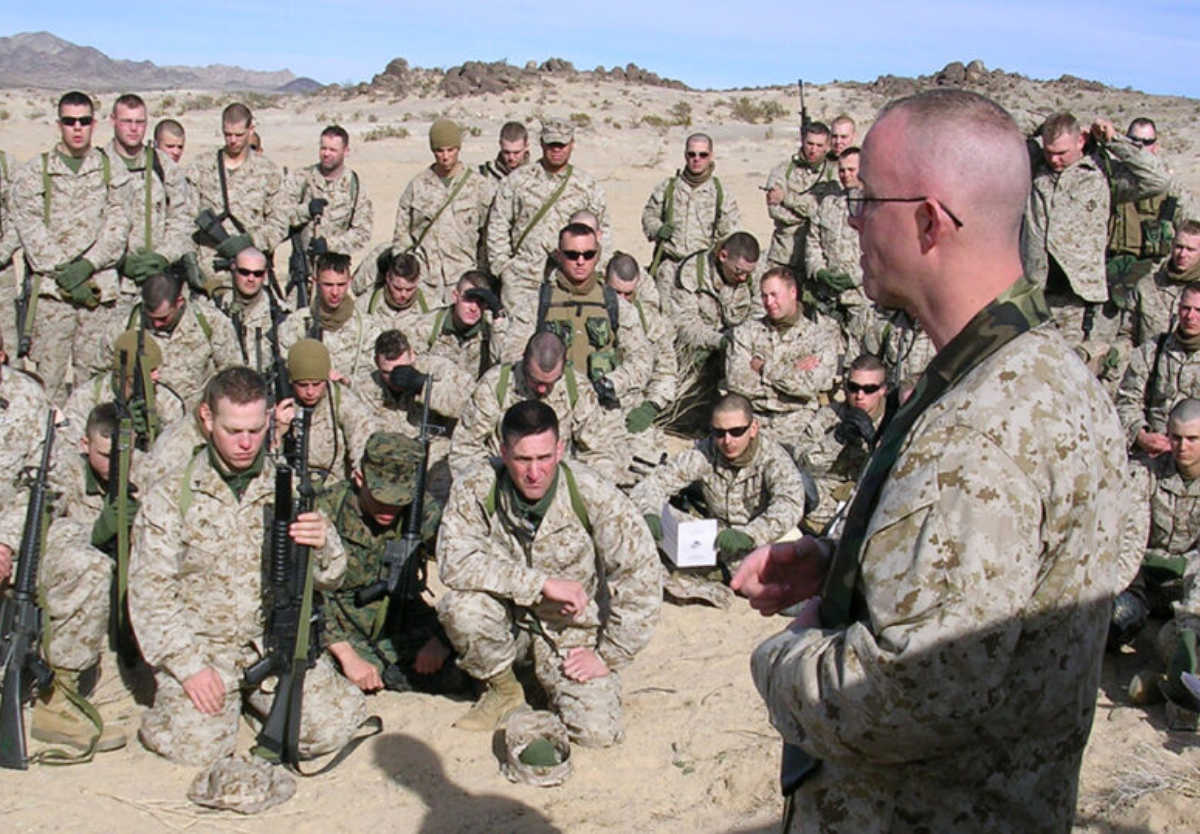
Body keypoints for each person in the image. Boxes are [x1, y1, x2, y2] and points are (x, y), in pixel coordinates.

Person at [732, 89, 1128, 831]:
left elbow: (901, 699)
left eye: (865, 200)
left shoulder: (980, 428)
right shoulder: (1040, 371)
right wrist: (846, 561)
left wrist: (783, 659)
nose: (851, 221)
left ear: (928, 220)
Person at [129, 366, 366, 767]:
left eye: (255, 431)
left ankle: (249, 707)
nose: (245, 443)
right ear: (207, 418)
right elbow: (150, 592)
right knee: (198, 749)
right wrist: (188, 668)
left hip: (270, 643)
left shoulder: (287, 487)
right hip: (205, 648)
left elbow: (332, 575)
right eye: (233, 430)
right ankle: (188, 708)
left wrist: (322, 544)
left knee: (328, 731)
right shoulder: (171, 495)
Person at [437, 400, 660, 745]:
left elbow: (641, 575)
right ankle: (504, 690)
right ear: (502, 449)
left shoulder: (592, 493)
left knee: (597, 734)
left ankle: (546, 688)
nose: (534, 472)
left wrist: (607, 655)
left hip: (571, 636)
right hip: (508, 624)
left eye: (544, 458)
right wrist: (541, 584)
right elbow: (454, 561)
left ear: (560, 448)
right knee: (461, 607)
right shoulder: (476, 487)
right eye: (523, 459)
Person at [9, 90, 132, 400]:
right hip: (52, 296)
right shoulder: (36, 171)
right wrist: (64, 272)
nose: (77, 128)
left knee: (93, 383)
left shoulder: (111, 170)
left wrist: (87, 266)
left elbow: (118, 226)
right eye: (69, 121)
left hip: (97, 294)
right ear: (59, 124)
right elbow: (29, 225)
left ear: (94, 124)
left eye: (84, 121)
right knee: (47, 382)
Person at [320, 432, 462, 695]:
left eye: (399, 501)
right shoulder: (327, 510)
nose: (389, 509)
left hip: (401, 615)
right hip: (339, 625)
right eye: (380, 498)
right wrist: (346, 655)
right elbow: (308, 596)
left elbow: (463, 565)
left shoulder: (422, 510)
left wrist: (441, 640)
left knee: (465, 655)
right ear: (360, 478)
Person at [1022, 113, 1168, 364]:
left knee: (1071, 373)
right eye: (1049, 152)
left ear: (1080, 141)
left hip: (1078, 303)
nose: (1054, 160)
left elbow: (1158, 179)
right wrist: (1042, 125)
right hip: (1034, 295)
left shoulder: (1101, 174)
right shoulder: (1034, 167)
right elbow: (1007, 129)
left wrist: (1113, 140)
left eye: (1062, 153)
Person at [631, 393, 805, 586]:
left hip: (759, 537)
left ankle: (723, 571)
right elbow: (654, 483)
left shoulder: (774, 458)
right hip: (715, 537)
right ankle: (717, 569)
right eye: (719, 433)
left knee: (782, 577)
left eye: (736, 431)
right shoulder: (705, 452)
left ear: (753, 428)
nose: (727, 440)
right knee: (644, 523)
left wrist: (750, 534)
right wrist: (649, 511)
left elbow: (790, 504)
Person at [450, 331, 627, 483]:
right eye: (535, 380)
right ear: (523, 358)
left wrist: (581, 489)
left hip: (559, 487)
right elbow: (464, 448)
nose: (542, 389)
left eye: (551, 382)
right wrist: (495, 483)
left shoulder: (578, 388)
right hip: (502, 481)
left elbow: (598, 452)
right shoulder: (495, 385)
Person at [503, 222, 651, 404]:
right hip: (550, 401)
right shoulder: (537, 303)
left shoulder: (615, 304)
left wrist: (611, 383)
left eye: (588, 254)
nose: (580, 261)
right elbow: (511, 356)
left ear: (597, 256)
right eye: (572, 255)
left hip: (601, 404)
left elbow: (641, 358)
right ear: (558, 255)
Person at [486, 118, 610, 333]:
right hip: (522, 279)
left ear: (572, 144)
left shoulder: (586, 186)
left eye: (561, 145)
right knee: (515, 342)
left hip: (566, 281)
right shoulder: (517, 181)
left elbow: (603, 232)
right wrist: (503, 268)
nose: (556, 150)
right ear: (541, 144)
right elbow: (498, 223)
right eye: (551, 144)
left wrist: (593, 270)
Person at [1110, 399, 1200, 665]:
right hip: (1144, 582)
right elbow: (1131, 542)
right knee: (1115, 621)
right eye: (1177, 438)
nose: (1183, 447)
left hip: (1192, 589)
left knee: (1184, 644)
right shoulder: (1145, 472)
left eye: (1193, 438)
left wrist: (1190, 621)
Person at [725, 266, 842, 451]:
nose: (769, 302)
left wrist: (764, 369)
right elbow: (736, 382)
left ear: (793, 292)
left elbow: (811, 387)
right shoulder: (746, 332)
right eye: (764, 296)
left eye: (774, 294)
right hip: (754, 425)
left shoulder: (821, 337)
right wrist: (792, 380)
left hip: (799, 429)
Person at [97, 269, 241, 408]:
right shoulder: (125, 326)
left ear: (179, 301)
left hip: (195, 418)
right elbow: (101, 375)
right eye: (151, 317)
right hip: (143, 416)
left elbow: (232, 373)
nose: (156, 324)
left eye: (163, 318)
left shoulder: (211, 322)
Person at [185, 103, 288, 293]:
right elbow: (186, 219)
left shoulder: (268, 171)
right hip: (209, 276)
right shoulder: (200, 167)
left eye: (239, 135)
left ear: (251, 130)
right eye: (227, 134)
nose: (232, 140)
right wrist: (189, 258)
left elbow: (279, 224)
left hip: (251, 277)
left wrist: (249, 241)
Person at [671, 231, 762, 432]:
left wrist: (742, 341)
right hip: (700, 349)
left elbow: (760, 313)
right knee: (681, 413)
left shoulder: (754, 274)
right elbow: (686, 326)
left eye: (748, 272)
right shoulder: (691, 273)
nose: (743, 277)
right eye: (738, 271)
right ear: (723, 256)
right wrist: (720, 341)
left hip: (741, 346)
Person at [393, 119, 491, 305]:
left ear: (459, 148)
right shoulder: (418, 186)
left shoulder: (479, 186)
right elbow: (401, 233)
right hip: (425, 283)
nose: (445, 157)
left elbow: (489, 235)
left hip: (464, 280)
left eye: (450, 150)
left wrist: (482, 276)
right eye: (439, 151)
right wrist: (407, 271)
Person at [107, 93, 195, 293]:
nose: (133, 128)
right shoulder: (99, 165)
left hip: (158, 285)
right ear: (113, 121)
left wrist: (163, 257)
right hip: (111, 285)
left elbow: (182, 219)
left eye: (140, 122)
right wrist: (119, 260)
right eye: (126, 121)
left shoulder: (164, 167)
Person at [793, 354, 889, 534]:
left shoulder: (893, 419)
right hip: (825, 502)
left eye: (869, 389)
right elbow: (803, 464)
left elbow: (897, 471)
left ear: (883, 389)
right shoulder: (829, 415)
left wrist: (873, 439)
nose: (859, 396)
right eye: (853, 388)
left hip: (869, 499)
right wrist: (837, 438)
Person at [641, 133, 740, 302]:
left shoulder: (720, 193)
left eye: (703, 155)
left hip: (702, 272)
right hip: (669, 271)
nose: (697, 159)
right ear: (685, 155)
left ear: (711, 156)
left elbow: (730, 235)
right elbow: (649, 215)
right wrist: (658, 229)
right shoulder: (669, 188)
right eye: (691, 154)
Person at [605, 253, 677, 476]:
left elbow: (666, 370)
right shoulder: (587, 311)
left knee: (651, 473)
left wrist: (650, 407)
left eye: (628, 294)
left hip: (632, 408)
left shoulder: (650, 319)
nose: (621, 300)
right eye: (615, 292)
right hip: (592, 407)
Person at [1116, 284, 1200, 457]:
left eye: (1199, 310)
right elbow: (1126, 401)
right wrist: (1141, 435)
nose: (1190, 316)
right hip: (1154, 456)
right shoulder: (1153, 350)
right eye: (1186, 308)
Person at [277, 338, 374, 486]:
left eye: (316, 384)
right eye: (302, 385)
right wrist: (277, 434)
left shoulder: (343, 401)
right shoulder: (281, 402)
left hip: (333, 489)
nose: (310, 392)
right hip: (287, 485)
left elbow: (363, 442)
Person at [804, 146, 874, 348]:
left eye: (851, 170)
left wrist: (855, 277)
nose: (845, 175)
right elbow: (813, 242)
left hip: (862, 297)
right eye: (842, 170)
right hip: (829, 297)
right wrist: (819, 271)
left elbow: (884, 254)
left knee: (861, 354)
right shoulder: (828, 205)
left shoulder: (875, 206)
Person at [284, 124, 374, 266]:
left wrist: (330, 245)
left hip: (335, 274)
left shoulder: (355, 187)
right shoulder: (301, 178)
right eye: (323, 148)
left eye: (333, 150)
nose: (326, 154)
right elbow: (279, 216)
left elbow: (362, 233)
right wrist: (305, 211)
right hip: (303, 269)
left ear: (346, 151)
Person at [279, 252, 373, 379]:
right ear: (316, 282)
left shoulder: (366, 327)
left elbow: (370, 376)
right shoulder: (296, 324)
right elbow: (286, 370)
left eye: (341, 285)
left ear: (349, 282)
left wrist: (346, 382)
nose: (335, 292)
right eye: (328, 285)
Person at [763, 121, 835, 273]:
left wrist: (786, 198)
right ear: (802, 141)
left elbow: (829, 213)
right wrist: (810, 216)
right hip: (784, 255)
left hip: (819, 259)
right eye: (810, 143)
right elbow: (775, 211)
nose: (813, 150)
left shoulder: (833, 174)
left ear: (827, 146)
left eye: (819, 145)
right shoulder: (783, 170)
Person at [1126, 219, 1200, 346]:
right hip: (1147, 363)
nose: (1182, 254)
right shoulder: (1146, 287)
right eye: (1179, 247)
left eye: (1190, 249)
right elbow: (1127, 334)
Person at [213, 245, 288, 363]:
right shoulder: (214, 309)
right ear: (233, 268)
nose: (251, 278)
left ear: (265, 274)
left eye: (257, 273)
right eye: (244, 272)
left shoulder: (281, 315)